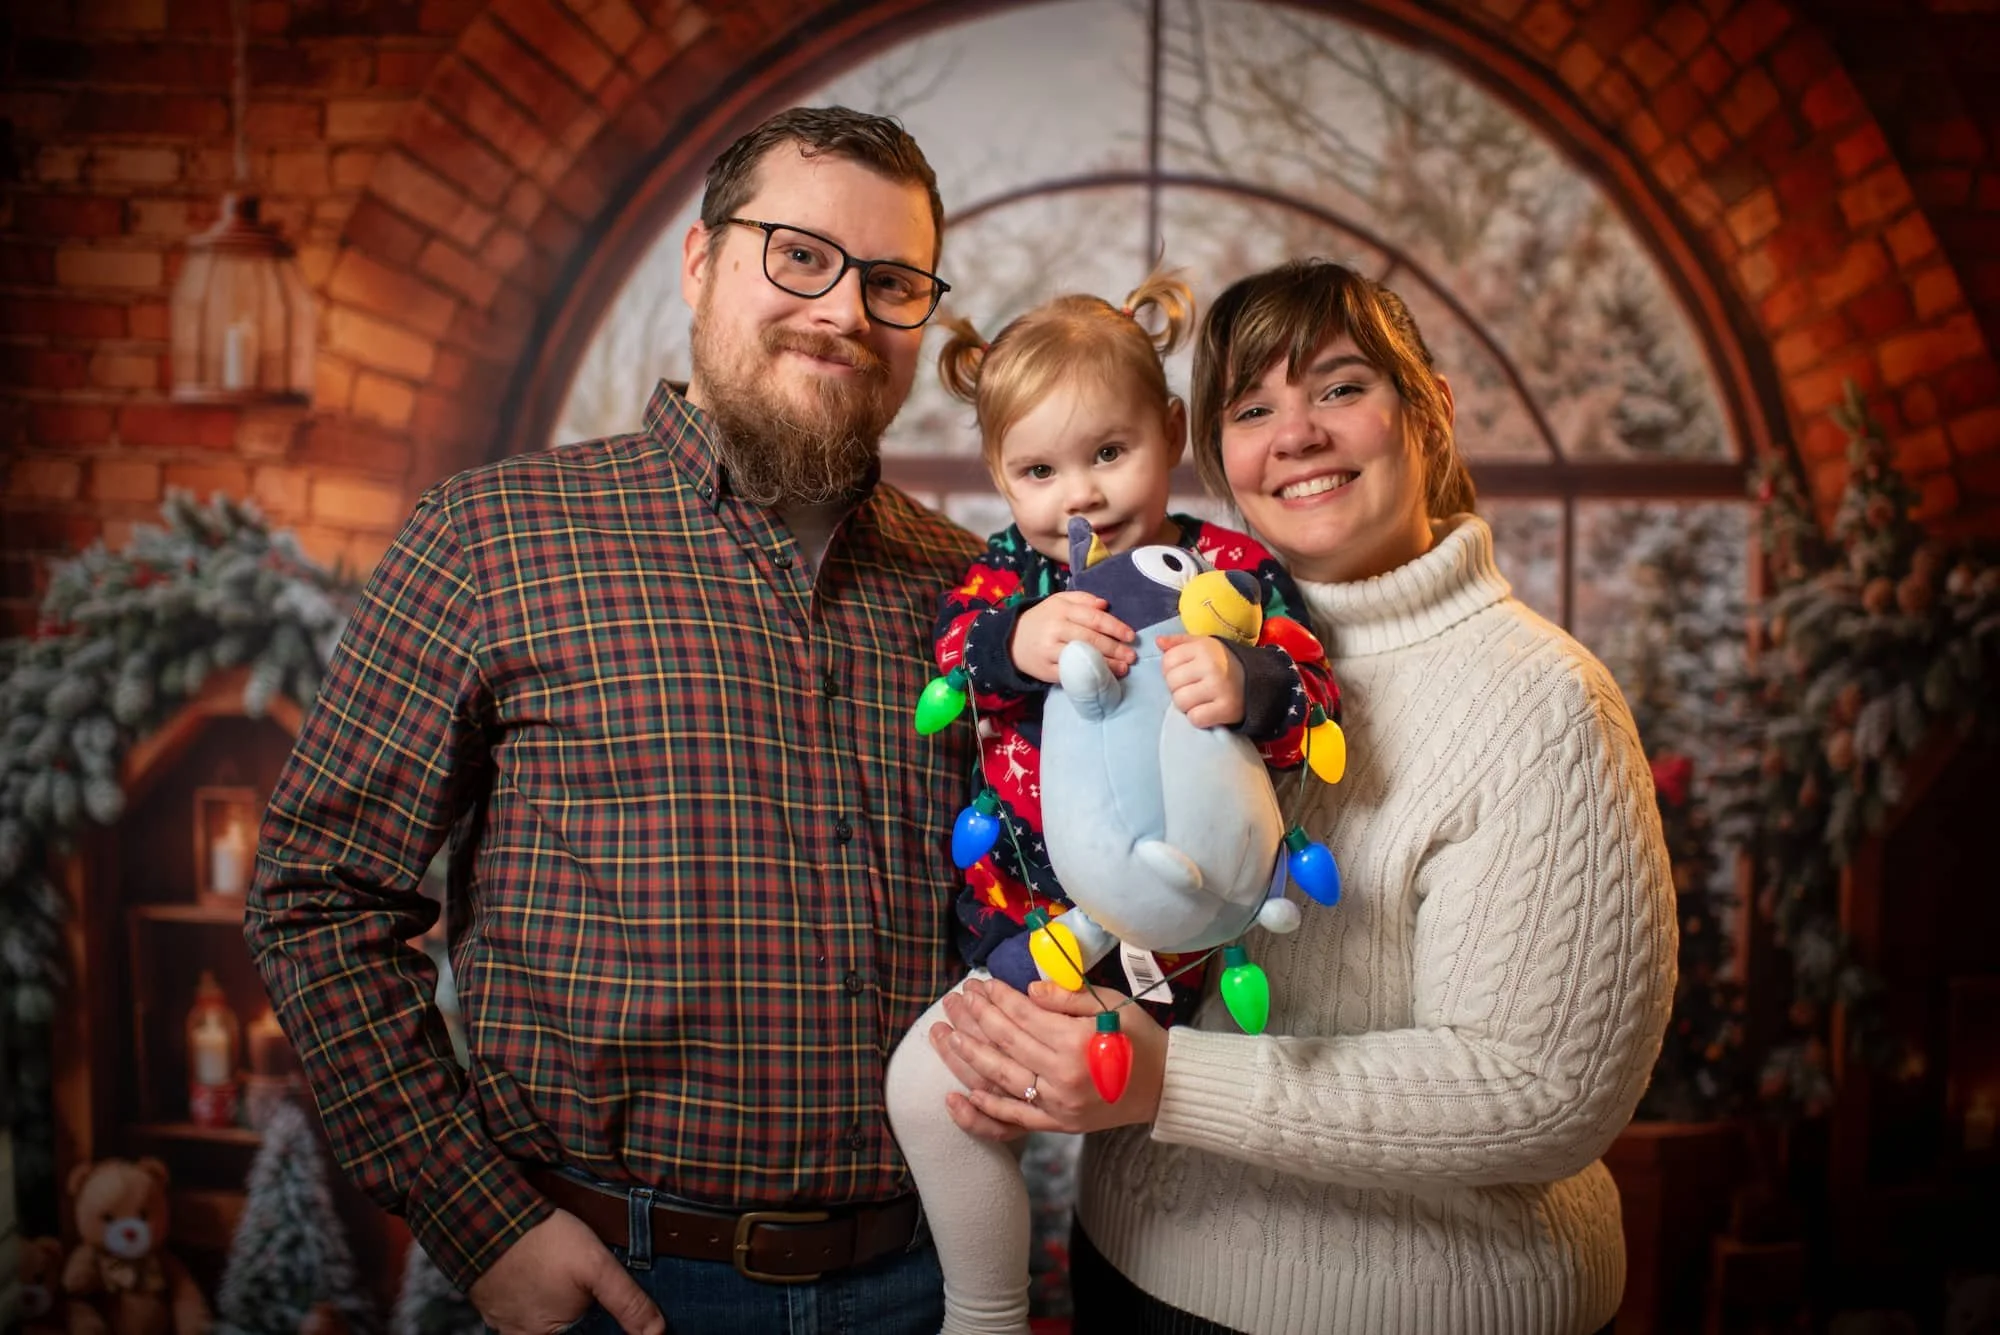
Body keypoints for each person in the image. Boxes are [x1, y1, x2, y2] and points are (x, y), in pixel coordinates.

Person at [244, 106, 985, 1335]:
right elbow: (316, 896)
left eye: (893, 281)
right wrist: (481, 1224)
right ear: (700, 264)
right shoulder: (492, 538)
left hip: (926, 1277)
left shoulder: (969, 592)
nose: (846, 310)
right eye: (800, 255)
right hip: (616, 1284)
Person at [925, 259, 1677, 1335]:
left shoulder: (1544, 705)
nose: (1295, 434)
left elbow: (1540, 1095)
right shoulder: (1148, 618)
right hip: (1129, 1268)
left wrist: (1166, 1084)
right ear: (1213, 446)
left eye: (1338, 388)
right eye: (1253, 407)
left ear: (1427, 409)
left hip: (1422, 1306)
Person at [883, 273, 1341, 1335]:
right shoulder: (1009, 576)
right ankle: (988, 1314)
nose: (1076, 498)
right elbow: (952, 661)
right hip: (1037, 932)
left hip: (1201, 948)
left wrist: (1250, 682)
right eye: (1037, 471)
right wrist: (1016, 646)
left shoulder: (1225, 570)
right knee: (931, 1096)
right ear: (998, 474)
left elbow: (1312, 693)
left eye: (1107, 454)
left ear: (1170, 432)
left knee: (1197, 1143)